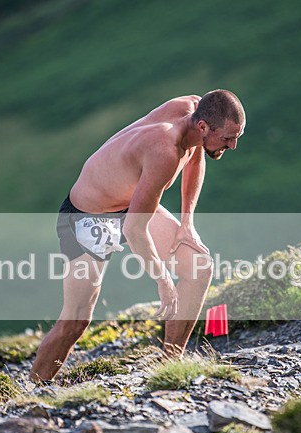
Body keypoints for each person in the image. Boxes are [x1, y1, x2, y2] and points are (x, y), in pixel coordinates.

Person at [29, 89, 246, 382]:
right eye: (228, 139)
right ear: (203, 127)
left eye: (237, 137)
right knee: (76, 321)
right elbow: (134, 229)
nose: (232, 146)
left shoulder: (195, 110)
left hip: (130, 205)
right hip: (88, 217)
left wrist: (187, 223)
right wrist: (163, 279)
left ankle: (170, 366)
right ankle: (35, 390)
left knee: (198, 265)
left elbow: (195, 158)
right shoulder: (164, 151)